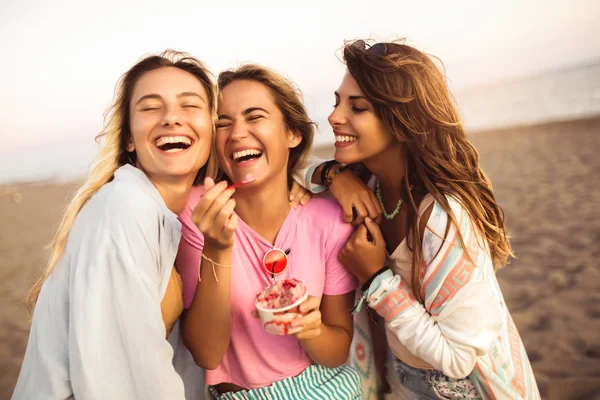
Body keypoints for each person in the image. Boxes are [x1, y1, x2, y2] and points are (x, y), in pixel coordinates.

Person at [298, 39, 541, 399]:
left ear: (403, 121)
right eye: (337, 101)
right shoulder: (369, 183)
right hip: (403, 380)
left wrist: (377, 277)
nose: (334, 117)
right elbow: (289, 170)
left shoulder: (443, 216)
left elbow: (457, 359)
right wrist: (335, 176)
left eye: (358, 107)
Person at [12, 50, 217, 399]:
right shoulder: (124, 207)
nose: (171, 118)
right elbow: (126, 382)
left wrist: (326, 172)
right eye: (151, 107)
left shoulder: (178, 215)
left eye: (190, 105)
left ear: (212, 130)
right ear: (127, 138)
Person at [176, 64, 363, 399]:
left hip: (323, 387)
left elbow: (336, 351)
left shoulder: (329, 219)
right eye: (222, 123)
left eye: (255, 116)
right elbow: (206, 354)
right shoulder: (198, 212)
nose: (236, 133)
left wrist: (312, 328)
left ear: (292, 133)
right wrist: (217, 248)